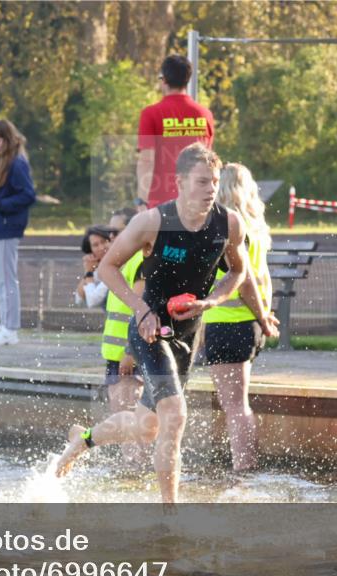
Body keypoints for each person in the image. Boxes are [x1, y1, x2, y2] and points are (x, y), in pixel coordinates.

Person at [56, 143, 276, 504]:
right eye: (202, 182)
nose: (210, 190)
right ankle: (170, 517)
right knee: (175, 415)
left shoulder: (228, 224)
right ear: (180, 182)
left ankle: (84, 439)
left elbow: (239, 272)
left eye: (214, 182)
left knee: (147, 427)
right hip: (149, 329)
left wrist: (223, 303)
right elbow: (108, 268)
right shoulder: (152, 223)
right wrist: (140, 309)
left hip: (188, 334)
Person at [203, 163, 278, 471]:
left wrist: (262, 316)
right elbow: (260, 278)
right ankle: (244, 466)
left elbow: (244, 279)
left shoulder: (229, 227)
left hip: (229, 322)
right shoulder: (255, 227)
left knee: (235, 406)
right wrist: (263, 316)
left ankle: (243, 469)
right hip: (247, 324)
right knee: (237, 403)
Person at [0, 119, 36, 346]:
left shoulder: (17, 164)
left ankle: (10, 329)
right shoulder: (0, 163)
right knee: (0, 278)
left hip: (7, 226)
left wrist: (0, 205)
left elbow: (27, 195)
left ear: (7, 139)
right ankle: (5, 324)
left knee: (6, 278)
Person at [135, 55, 215, 212]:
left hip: (161, 205)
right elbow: (210, 161)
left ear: (163, 80)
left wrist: (141, 202)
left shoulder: (151, 114)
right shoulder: (205, 114)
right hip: (197, 202)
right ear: (188, 80)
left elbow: (146, 160)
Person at [74, 225, 117, 309]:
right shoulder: (98, 270)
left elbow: (93, 301)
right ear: (91, 251)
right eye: (95, 245)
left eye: (104, 241)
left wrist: (89, 275)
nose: (101, 247)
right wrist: (88, 271)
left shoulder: (116, 267)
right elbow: (79, 299)